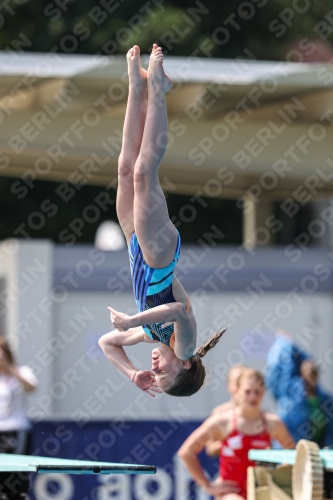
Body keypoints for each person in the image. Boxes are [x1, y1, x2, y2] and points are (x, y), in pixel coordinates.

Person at [98, 44, 226, 397]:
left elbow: (107, 343)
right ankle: (158, 89)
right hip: (158, 258)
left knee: (126, 169)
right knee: (143, 171)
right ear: (184, 366)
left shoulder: (151, 336)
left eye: (155, 379)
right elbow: (180, 311)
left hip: (136, 249)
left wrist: (130, 374)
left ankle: (136, 86)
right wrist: (133, 320)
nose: (155, 371)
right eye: (163, 376)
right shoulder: (183, 346)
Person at [178, 368, 295, 499]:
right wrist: (207, 486)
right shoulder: (223, 421)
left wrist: (278, 478)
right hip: (230, 494)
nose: (253, 397)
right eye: (247, 391)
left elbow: (292, 454)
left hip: (261, 493)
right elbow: (186, 452)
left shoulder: (272, 423)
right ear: (236, 391)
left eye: (257, 392)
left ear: (263, 393)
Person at [266, 333, 333, 448]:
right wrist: (286, 343)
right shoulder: (289, 391)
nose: (309, 377)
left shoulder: (325, 400)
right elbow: (285, 365)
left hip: (316, 451)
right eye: (307, 373)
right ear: (301, 373)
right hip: (291, 449)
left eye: (313, 373)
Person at [0, 336, 38, 499]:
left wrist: (11, 369)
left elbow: (31, 388)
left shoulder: (22, 371)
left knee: (14, 475)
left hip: (16, 430)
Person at [205, 365, 245, 457]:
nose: (240, 386)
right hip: (229, 469)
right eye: (237, 382)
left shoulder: (257, 414)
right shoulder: (219, 413)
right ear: (229, 386)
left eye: (243, 381)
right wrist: (229, 443)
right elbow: (210, 449)